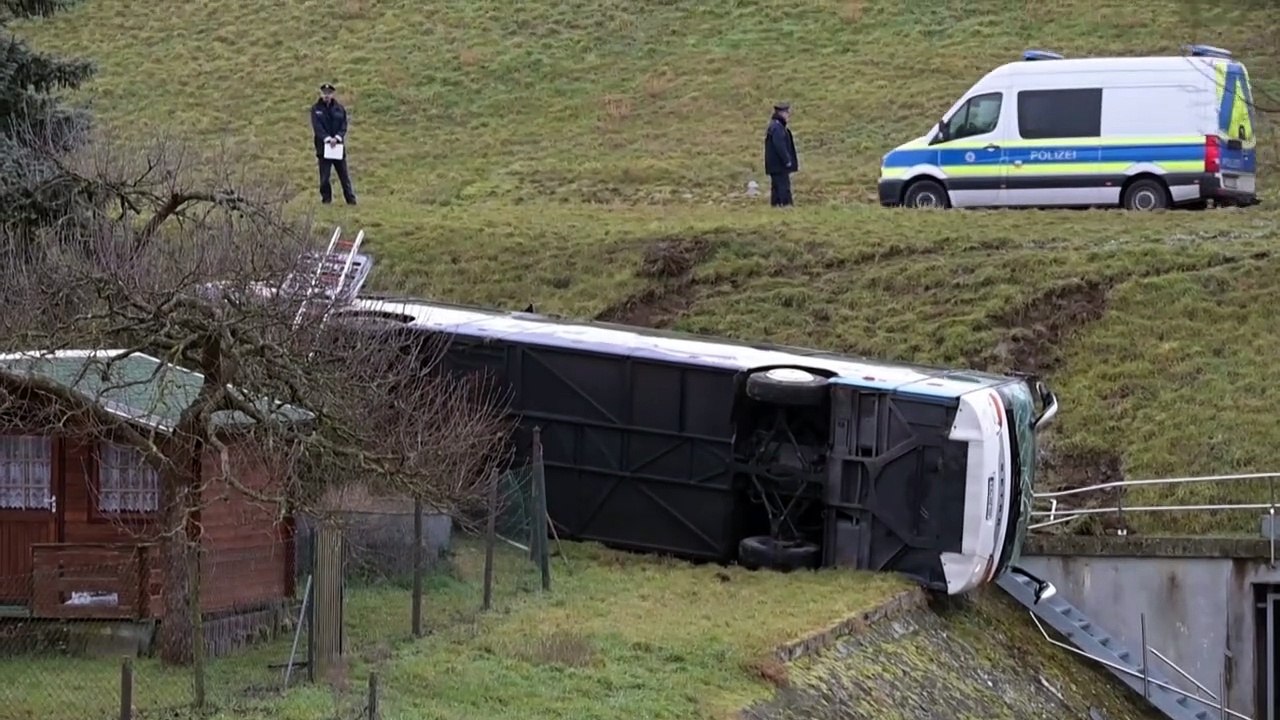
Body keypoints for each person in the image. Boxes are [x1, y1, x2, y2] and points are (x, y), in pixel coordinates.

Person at [310, 82, 357, 205]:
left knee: (344, 176)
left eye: (329, 93)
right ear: (320, 94)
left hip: (338, 147)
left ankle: (350, 200)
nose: (326, 95)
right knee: (324, 177)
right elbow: (317, 127)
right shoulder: (316, 109)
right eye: (324, 93)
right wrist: (326, 138)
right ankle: (326, 200)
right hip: (323, 148)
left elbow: (343, 125)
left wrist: (337, 138)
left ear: (332, 94)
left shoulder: (339, 108)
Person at [763, 102, 798, 207]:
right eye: (786, 113)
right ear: (782, 113)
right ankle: (785, 204)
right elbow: (780, 145)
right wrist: (787, 159)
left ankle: (776, 205)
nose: (788, 115)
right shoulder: (778, 128)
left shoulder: (775, 126)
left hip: (774, 165)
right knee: (783, 185)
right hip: (779, 164)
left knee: (776, 186)